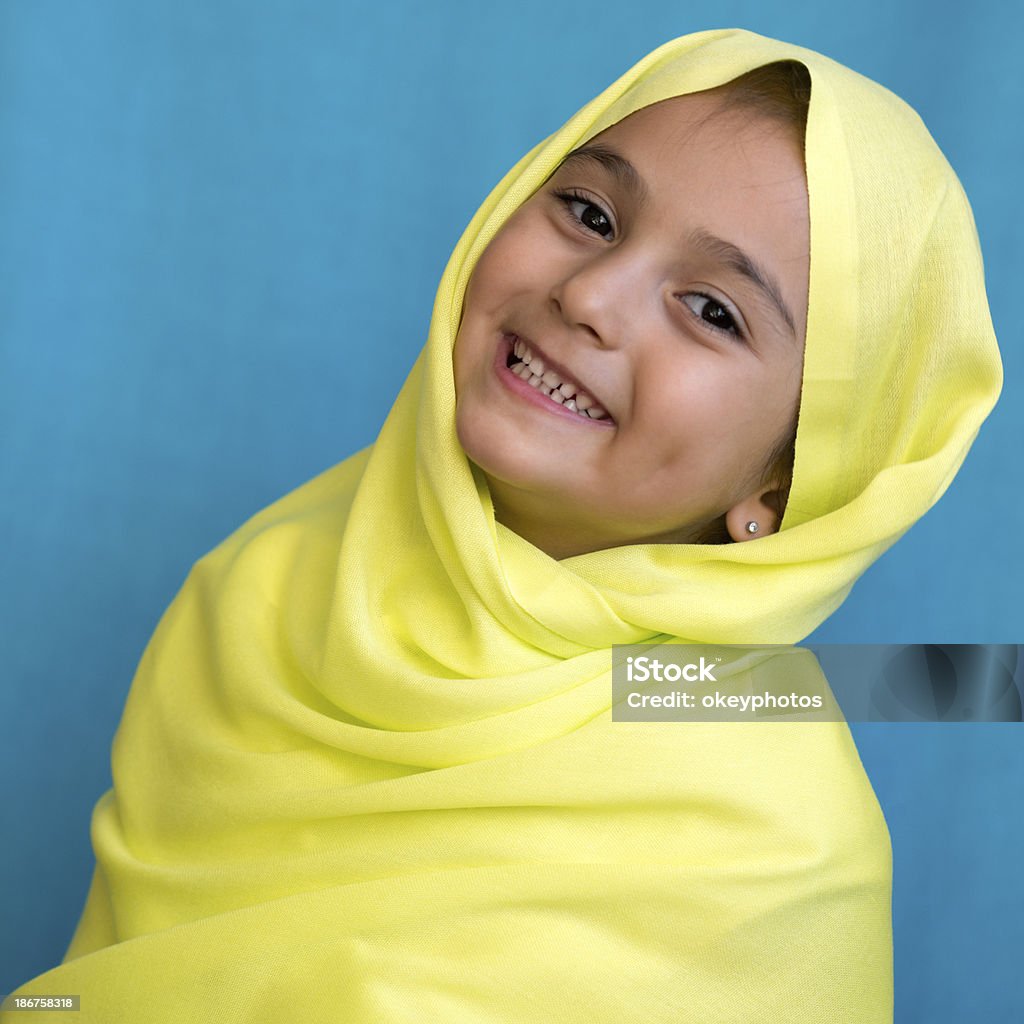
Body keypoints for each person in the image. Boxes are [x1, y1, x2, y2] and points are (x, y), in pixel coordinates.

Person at [4, 27, 1001, 1023]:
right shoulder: (266, 588)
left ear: (783, 486)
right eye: (587, 211)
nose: (589, 295)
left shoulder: (768, 847)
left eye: (710, 309)